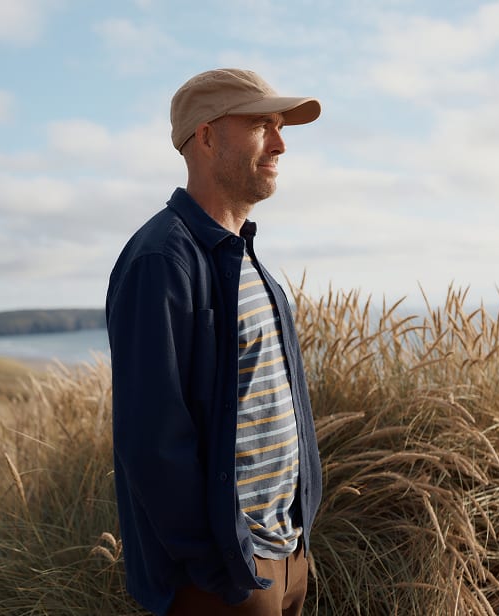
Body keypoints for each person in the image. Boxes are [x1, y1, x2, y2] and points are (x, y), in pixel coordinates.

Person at [105, 68, 324, 616]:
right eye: (261, 125)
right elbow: (152, 440)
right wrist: (219, 569)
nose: (280, 143)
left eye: (279, 126)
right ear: (205, 136)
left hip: (288, 559)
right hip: (227, 580)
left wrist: (296, 546)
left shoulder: (247, 259)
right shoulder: (162, 260)